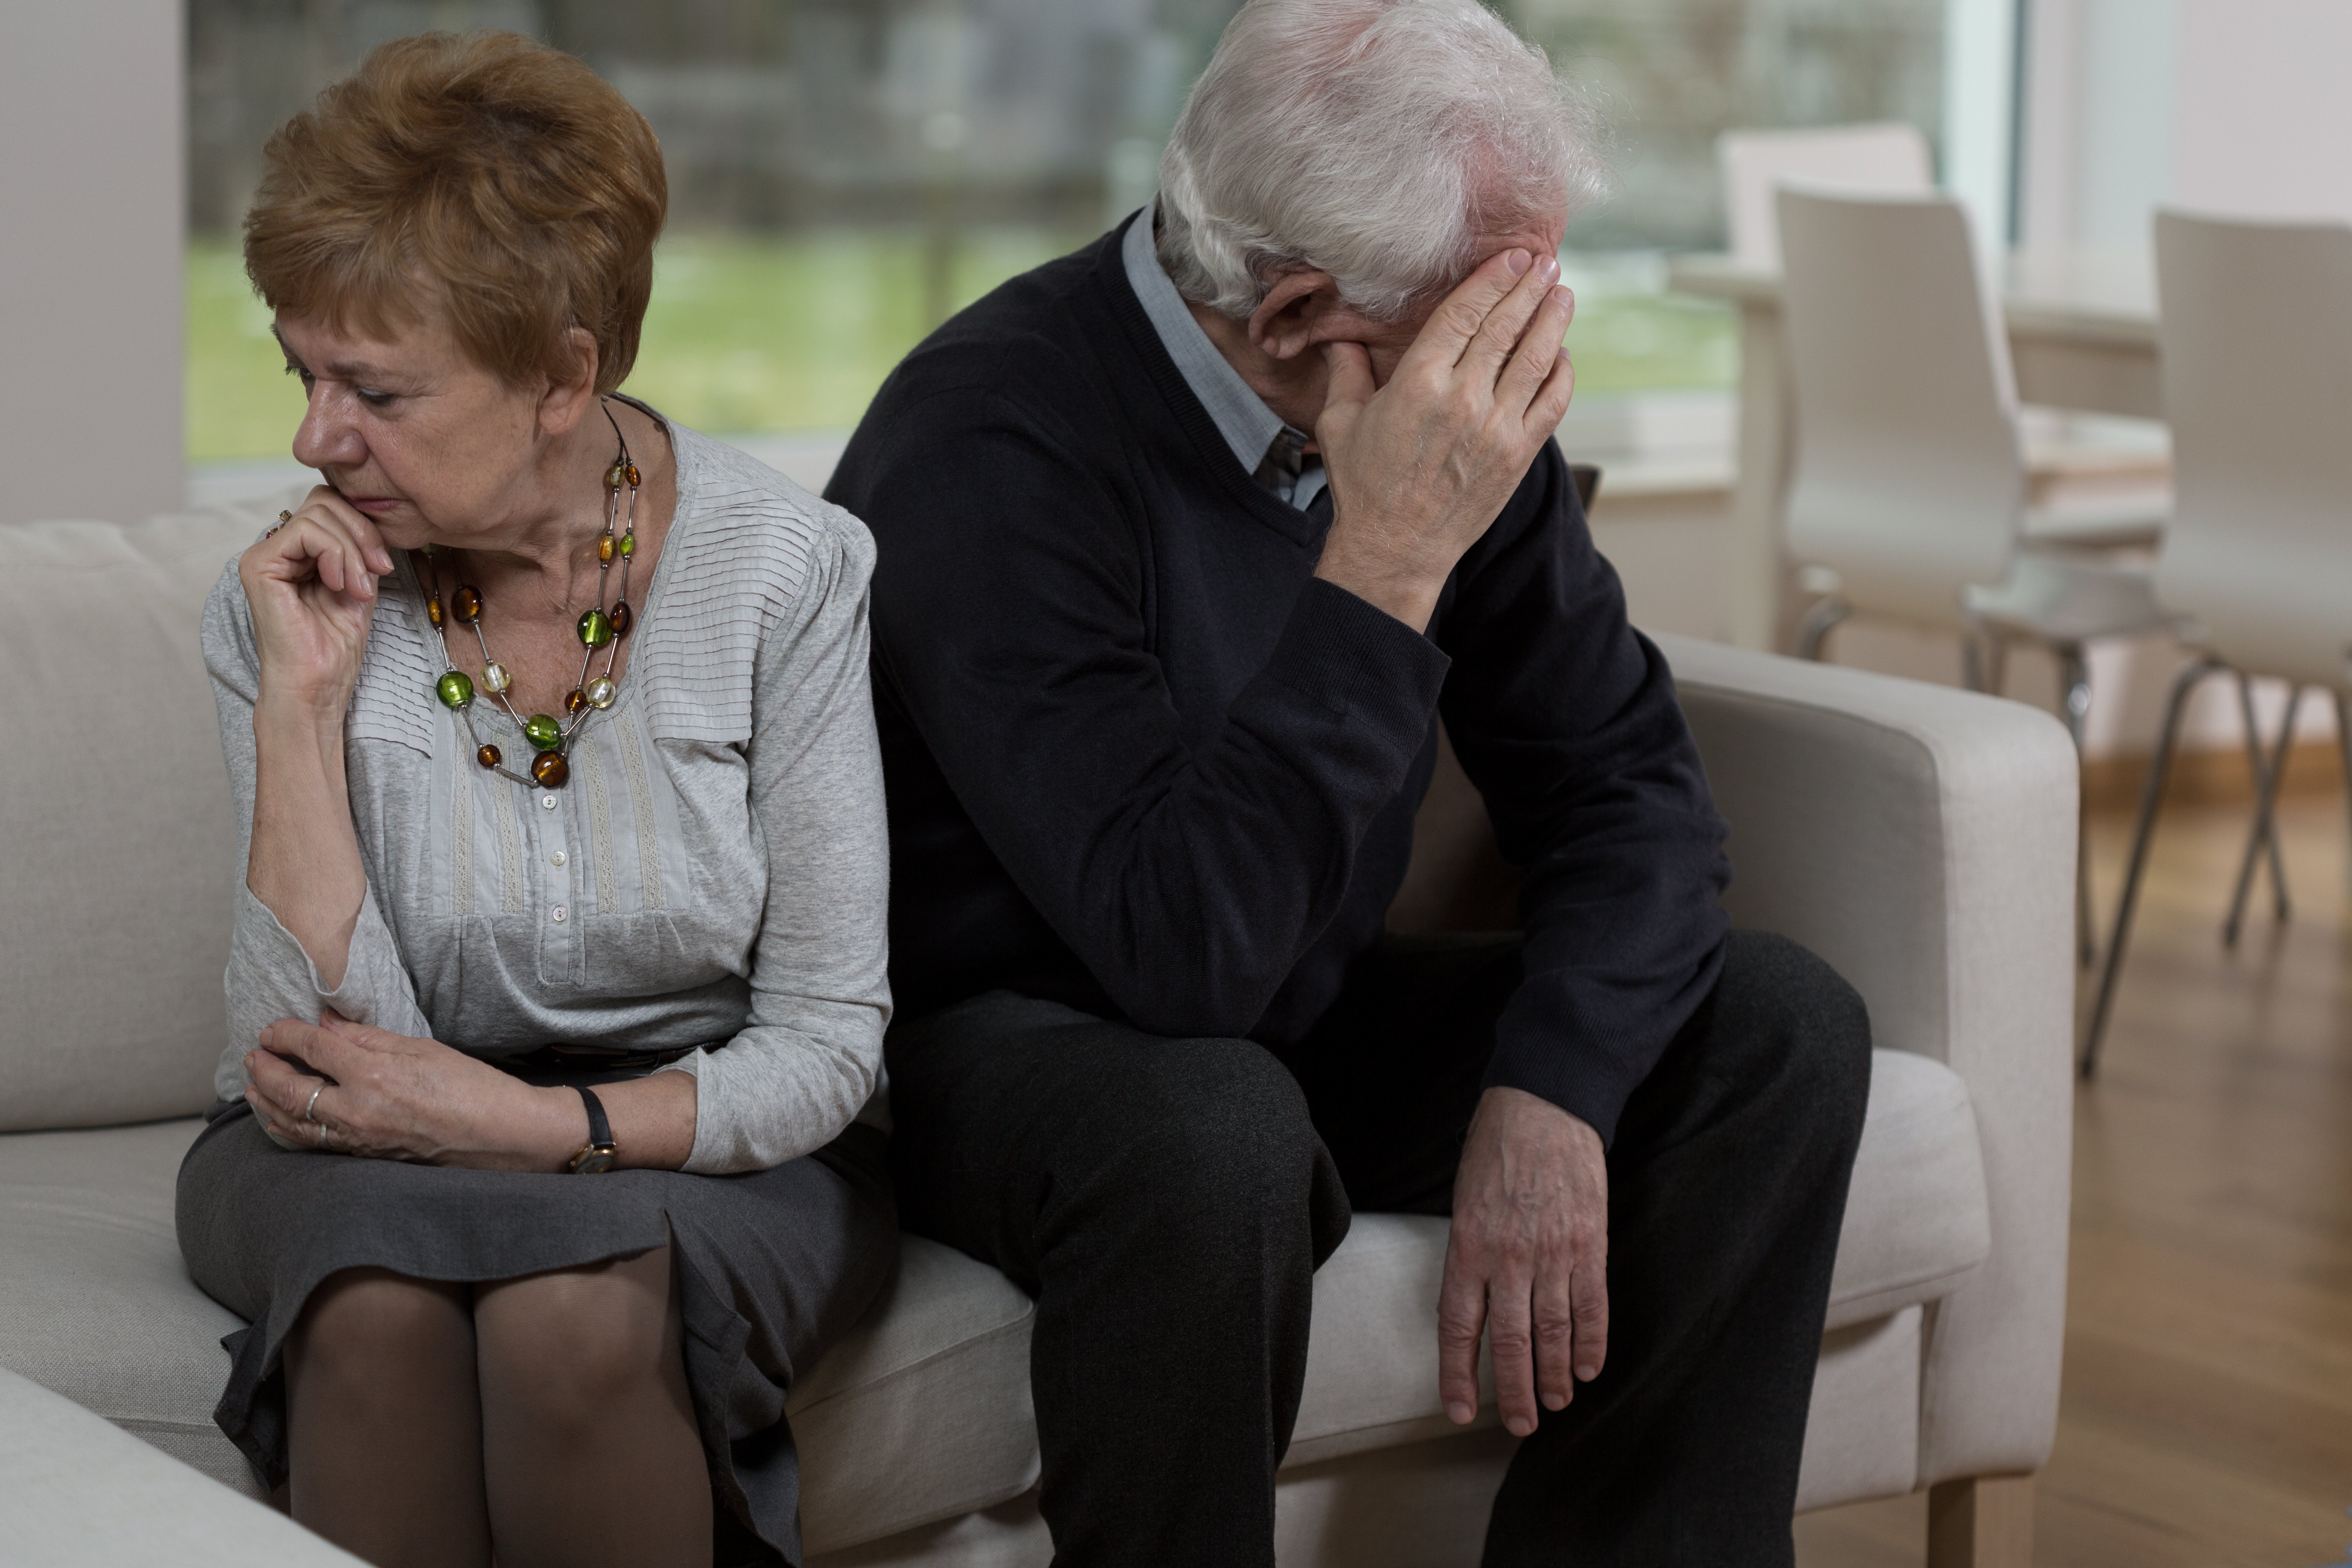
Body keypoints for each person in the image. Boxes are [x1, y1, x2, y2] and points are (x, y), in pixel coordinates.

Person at [826, 1, 1873, 1563]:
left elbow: (1631, 796)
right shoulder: (991, 438)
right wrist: (1384, 556)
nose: (1537, 354)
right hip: (1000, 1043)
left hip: (1279, 1004)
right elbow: (1184, 959)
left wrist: (1554, 1083)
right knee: (1214, 1128)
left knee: (1773, 1033)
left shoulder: (1429, 405)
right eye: (1498, 307)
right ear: (1308, 312)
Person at [176, 32, 895, 1568]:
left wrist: (535, 1124)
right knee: (373, 1317)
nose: (314, 439)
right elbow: (300, 1054)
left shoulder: (787, 574)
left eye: (376, 389)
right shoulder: (294, 593)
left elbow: (831, 1041)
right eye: (300, 375)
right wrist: (301, 706)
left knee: (578, 1322)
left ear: (565, 374)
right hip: (339, 1142)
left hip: (698, 1130)